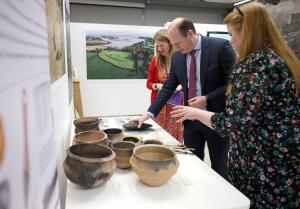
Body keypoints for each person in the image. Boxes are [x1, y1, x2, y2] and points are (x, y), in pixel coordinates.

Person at [170, 2, 300, 208]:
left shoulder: (254, 66)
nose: (231, 41)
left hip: (262, 167)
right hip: (282, 161)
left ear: (248, 32)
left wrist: (195, 112)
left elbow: (232, 123)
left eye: (232, 34)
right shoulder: (278, 60)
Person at [137, 17, 236, 179]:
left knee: (219, 165)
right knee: (192, 162)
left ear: (190, 34)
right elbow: (168, 87)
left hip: (215, 119)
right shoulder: (178, 57)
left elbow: (233, 84)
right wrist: (149, 113)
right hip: (190, 121)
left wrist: (207, 98)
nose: (175, 48)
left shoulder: (220, 47)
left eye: (177, 43)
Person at [146, 29, 184, 143]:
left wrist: (179, 87)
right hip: (160, 103)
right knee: (159, 132)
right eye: (157, 46)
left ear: (170, 43)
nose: (159, 49)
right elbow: (149, 83)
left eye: (162, 45)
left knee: (175, 132)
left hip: (177, 103)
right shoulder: (156, 60)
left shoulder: (181, 57)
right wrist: (157, 86)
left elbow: (189, 80)